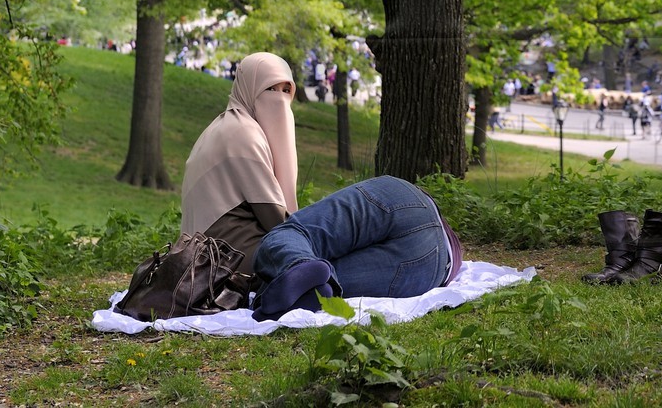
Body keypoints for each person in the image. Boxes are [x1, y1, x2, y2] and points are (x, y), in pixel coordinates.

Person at [251, 175, 462, 320]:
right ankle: (304, 286)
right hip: (434, 262)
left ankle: (294, 266)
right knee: (328, 280)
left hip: (401, 199)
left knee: (293, 233)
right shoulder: (455, 252)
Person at [180, 52, 299, 275]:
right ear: (248, 88)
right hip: (226, 259)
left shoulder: (226, 125)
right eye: (270, 89)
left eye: (286, 90)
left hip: (214, 254)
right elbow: (276, 220)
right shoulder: (243, 134)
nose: (280, 99)